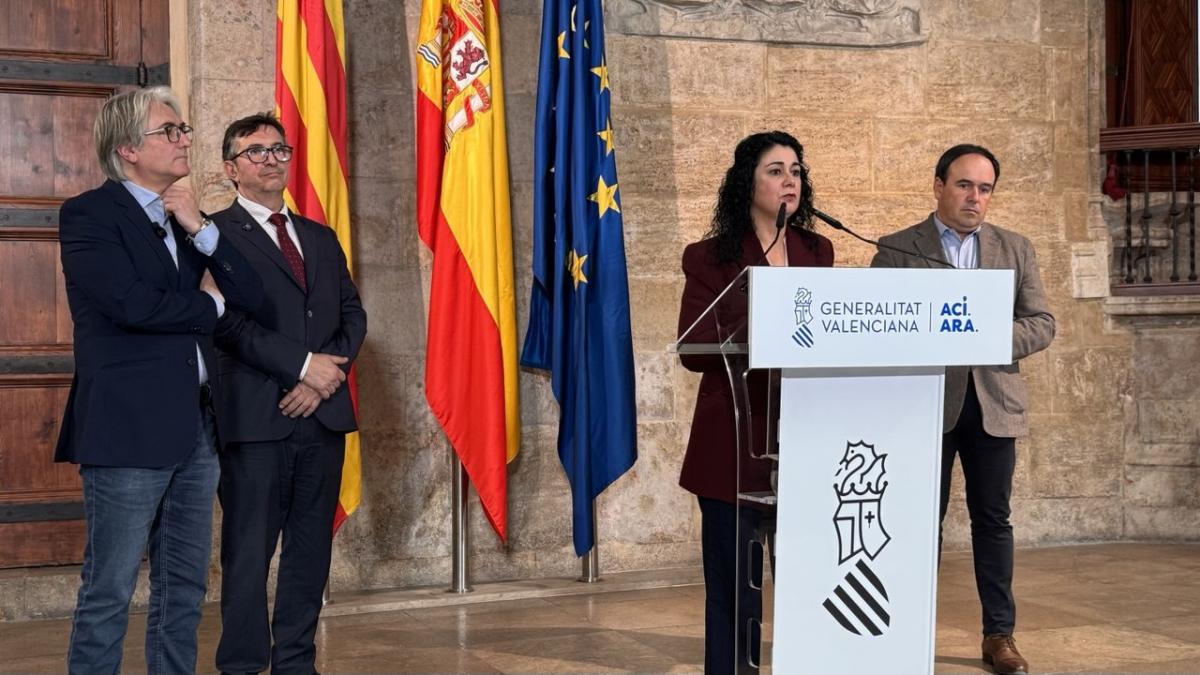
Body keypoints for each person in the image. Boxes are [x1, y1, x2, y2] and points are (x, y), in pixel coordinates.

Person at [56, 86, 263, 674]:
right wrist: (210, 306)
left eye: (183, 129)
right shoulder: (89, 214)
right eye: (169, 131)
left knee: (185, 587)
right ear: (127, 148)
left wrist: (199, 225)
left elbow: (251, 293)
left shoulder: (184, 218)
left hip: (197, 426)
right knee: (110, 589)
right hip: (127, 429)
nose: (184, 140)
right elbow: (131, 304)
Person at [870, 144, 1055, 675]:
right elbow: (879, 323)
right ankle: (906, 634)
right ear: (939, 186)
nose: (975, 197)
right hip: (925, 405)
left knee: (993, 521)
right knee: (917, 522)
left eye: (985, 188)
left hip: (994, 404)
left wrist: (987, 335)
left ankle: (999, 636)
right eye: (964, 185)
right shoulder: (897, 248)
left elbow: (1041, 322)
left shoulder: (1015, 248)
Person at [209, 112, 366, 675]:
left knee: (310, 550)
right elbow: (224, 323)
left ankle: (297, 662)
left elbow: (351, 315)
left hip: (322, 417)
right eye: (255, 151)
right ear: (231, 168)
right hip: (257, 416)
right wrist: (300, 371)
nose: (271, 159)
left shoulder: (320, 237)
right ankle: (243, 664)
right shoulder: (213, 234)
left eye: (280, 150)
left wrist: (324, 380)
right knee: (248, 554)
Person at [676, 131, 835, 674]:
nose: (789, 180)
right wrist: (763, 311)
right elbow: (693, 348)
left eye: (796, 170)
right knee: (732, 589)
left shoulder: (818, 251)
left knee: (805, 582)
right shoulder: (710, 257)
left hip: (802, 440)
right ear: (748, 182)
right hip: (733, 443)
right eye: (775, 170)